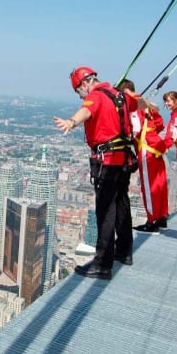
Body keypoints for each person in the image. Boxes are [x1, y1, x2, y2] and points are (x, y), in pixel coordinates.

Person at [54, 67, 139, 279]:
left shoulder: (96, 96)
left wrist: (71, 122)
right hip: (125, 160)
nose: (80, 95)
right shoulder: (120, 95)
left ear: (84, 84)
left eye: (77, 91)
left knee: (105, 211)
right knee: (121, 203)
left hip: (108, 162)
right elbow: (140, 103)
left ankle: (102, 263)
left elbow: (86, 111)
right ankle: (124, 251)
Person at [119, 80, 169, 234]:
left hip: (146, 149)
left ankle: (152, 221)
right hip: (156, 147)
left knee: (149, 186)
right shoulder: (147, 104)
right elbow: (160, 123)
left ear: (126, 91)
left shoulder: (134, 105)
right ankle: (161, 217)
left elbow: (135, 129)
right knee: (159, 184)